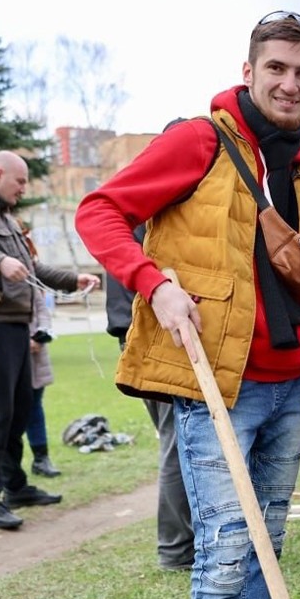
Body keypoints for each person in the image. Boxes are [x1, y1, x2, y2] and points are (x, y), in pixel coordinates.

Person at [75, 12, 300, 599]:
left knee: (268, 547)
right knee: (228, 550)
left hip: (293, 385)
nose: (290, 84)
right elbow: (99, 212)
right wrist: (155, 283)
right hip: (218, 386)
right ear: (249, 72)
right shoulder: (200, 142)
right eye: (277, 70)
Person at [0, 151, 94, 530]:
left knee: (18, 408)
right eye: (19, 181)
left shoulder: (6, 218)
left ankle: (14, 485)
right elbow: (1, 261)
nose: (23, 188)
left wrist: (72, 280)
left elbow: (32, 267)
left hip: (16, 325)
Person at [104, 225, 194, 571]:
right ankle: (176, 547)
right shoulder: (145, 224)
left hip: (138, 336)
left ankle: (182, 542)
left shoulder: (128, 225)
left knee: (176, 437)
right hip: (151, 340)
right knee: (178, 439)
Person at [24, 258, 61, 478]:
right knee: (9, 412)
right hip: (9, 350)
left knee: (35, 405)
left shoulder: (29, 277)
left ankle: (41, 457)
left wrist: (40, 335)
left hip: (35, 353)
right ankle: (7, 468)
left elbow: (42, 310)